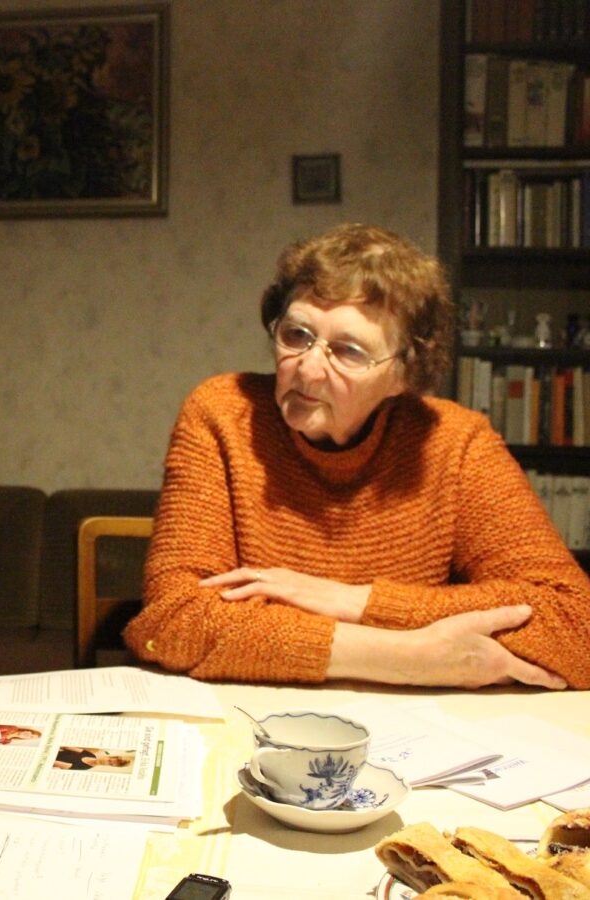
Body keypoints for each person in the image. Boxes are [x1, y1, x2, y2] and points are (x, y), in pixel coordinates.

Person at [124, 223, 590, 690]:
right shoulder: (224, 413)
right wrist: (408, 655)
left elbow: (575, 624)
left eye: (348, 351)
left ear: (406, 373)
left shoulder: (455, 442)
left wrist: (355, 601)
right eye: (297, 334)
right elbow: (173, 621)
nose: (306, 367)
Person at [51, 747, 135, 771]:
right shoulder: (90, 754)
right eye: (109, 760)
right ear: (108, 756)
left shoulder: (84, 767)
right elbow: (68, 747)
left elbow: (55, 762)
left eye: (110, 764)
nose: (106, 762)